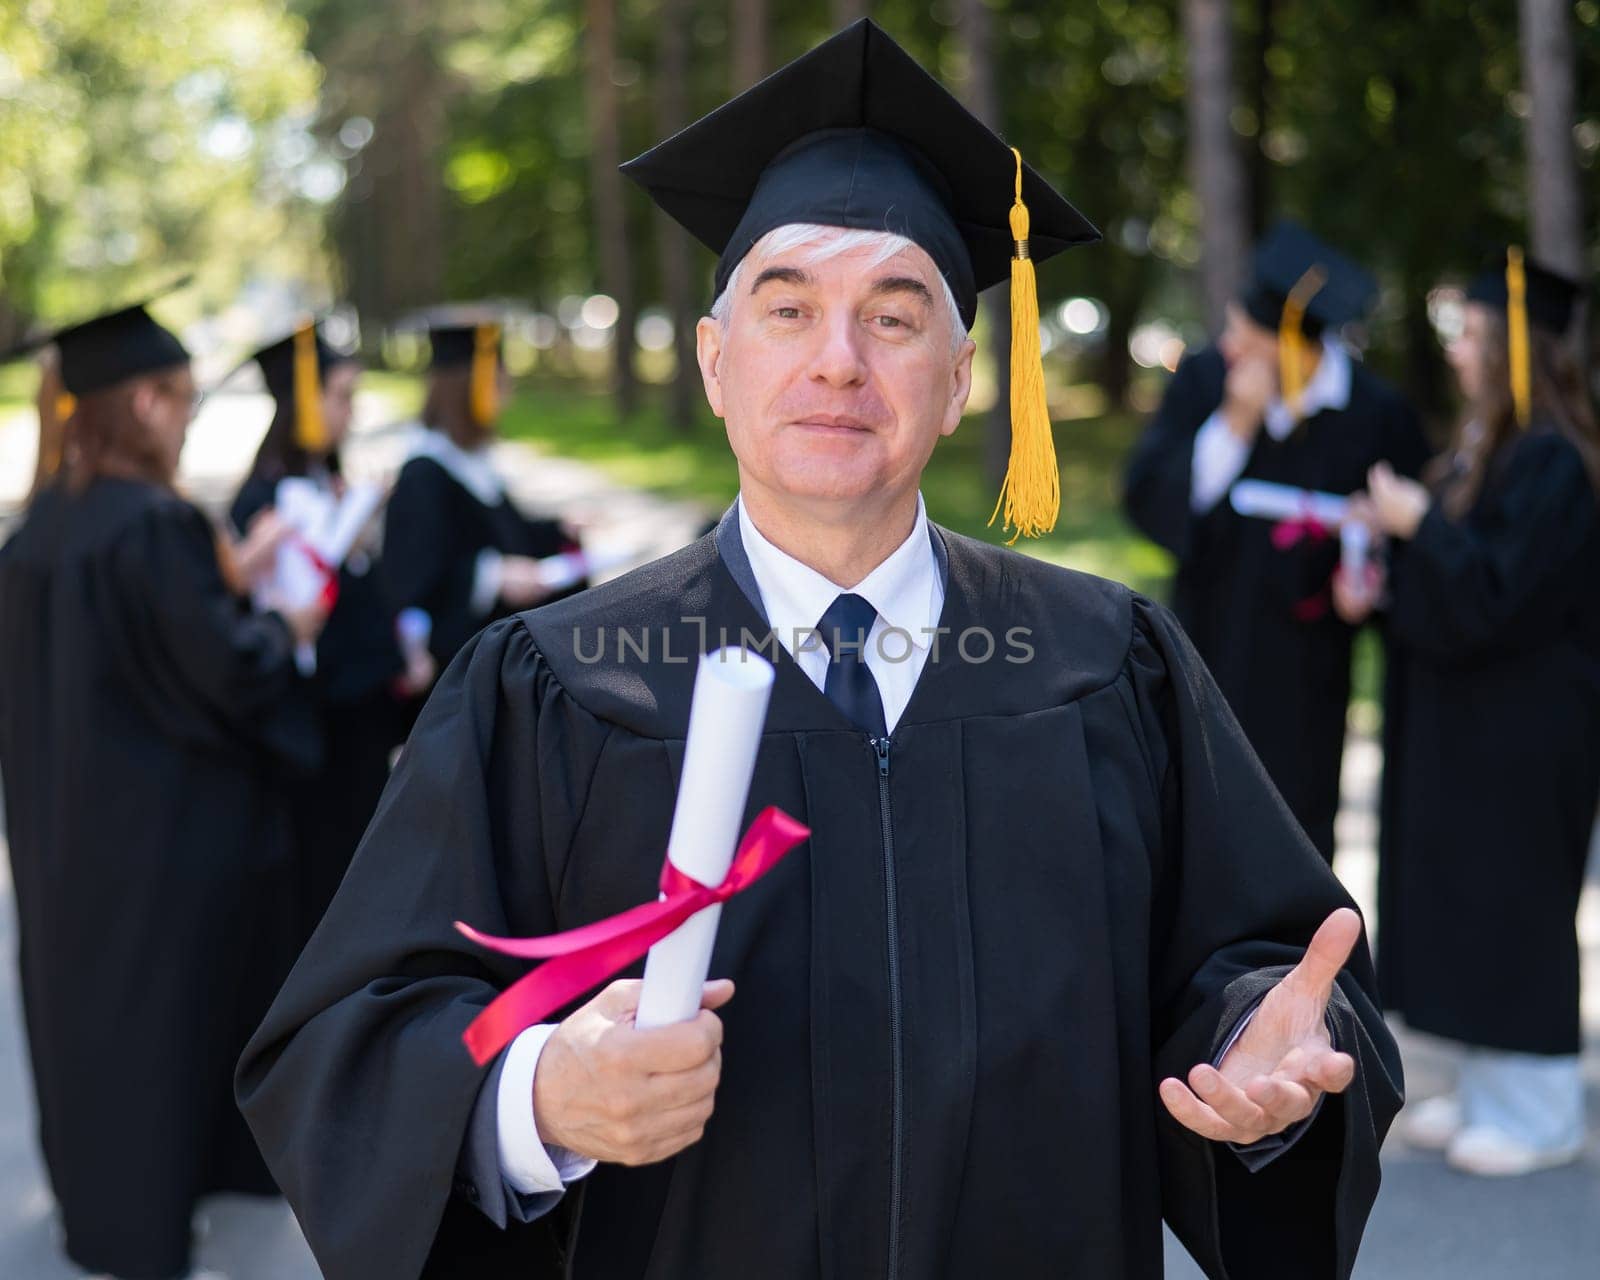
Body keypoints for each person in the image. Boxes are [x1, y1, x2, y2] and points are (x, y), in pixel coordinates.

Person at [238, 21, 1401, 1280]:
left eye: (893, 318)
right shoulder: (557, 681)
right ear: (715, 361)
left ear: (960, 379)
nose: (837, 361)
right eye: (787, 307)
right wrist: (537, 1100)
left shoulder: (1104, 664)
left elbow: (1257, 968)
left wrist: (1256, 1045)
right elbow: (347, 1038)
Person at [0, 291, 327, 1278]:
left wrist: (227, 572)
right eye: (179, 397)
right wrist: (286, 628)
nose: (187, 416)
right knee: (169, 1028)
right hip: (166, 845)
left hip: (63, 842)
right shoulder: (151, 525)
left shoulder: (34, 534)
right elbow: (225, 672)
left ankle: (113, 1218)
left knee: (90, 1027)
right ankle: (187, 1198)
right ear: (140, 404)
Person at [1334, 248, 1600, 1177]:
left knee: (1512, 903)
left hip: (1529, 733)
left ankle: (1541, 1112)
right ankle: (1490, 1090)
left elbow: (1498, 592)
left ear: (1520, 349)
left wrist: (1421, 528)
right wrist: (1385, 565)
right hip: (1467, 726)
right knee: (1463, 895)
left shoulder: (1555, 464)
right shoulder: (1479, 450)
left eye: (1478, 337)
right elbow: (1449, 591)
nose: (1459, 354)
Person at [1123, 224, 1430, 860]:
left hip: (1306, 675)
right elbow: (1150, 499)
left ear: (1293, 347)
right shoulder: (1209, 382)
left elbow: (1403, 550)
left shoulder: (1375, 415)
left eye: (1247, 336)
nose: (1229, 344)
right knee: (1191, 823)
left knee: (1295, 835)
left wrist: (1372, 584)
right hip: (1206, 646)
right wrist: (1234, 423)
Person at [228, 321, 434, 944]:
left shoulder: (329, 480)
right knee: (326, 891)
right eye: (341, 395)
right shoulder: (263, 502)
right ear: (303, 401)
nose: (352, 410)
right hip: (318, 735)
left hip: (359, 719)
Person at [382, 312, 585, 676]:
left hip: (501, 642)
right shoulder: (423, 474)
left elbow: (503, 531)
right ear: (467, 388)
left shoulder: (473, 459)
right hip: (463, 666)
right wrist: (491, 577)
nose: (506, 395)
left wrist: (558, 528)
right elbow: (417, 582)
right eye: (498, 383)